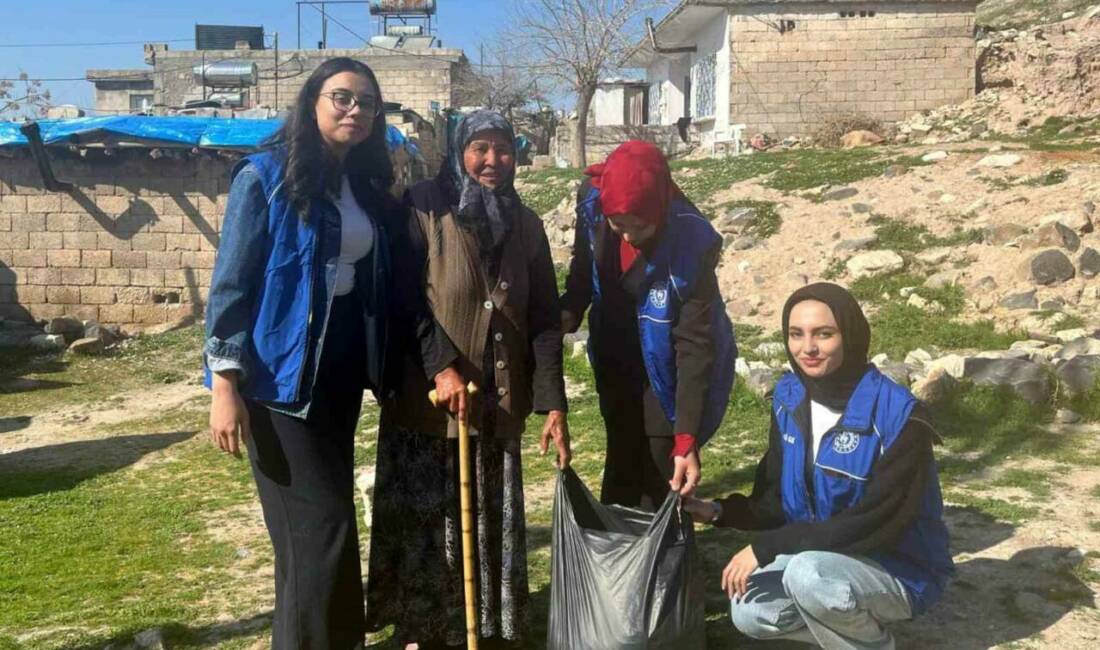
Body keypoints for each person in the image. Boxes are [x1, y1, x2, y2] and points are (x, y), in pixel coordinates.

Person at [203, 57, 404, 649]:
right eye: (342, 97)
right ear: (312, 101)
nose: (355, 111)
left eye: (367, 102)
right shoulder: (264, 177)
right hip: (277, 382)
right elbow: (232, 286)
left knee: (320, 539)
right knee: (321, 532)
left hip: (335, 375)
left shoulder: (360, 185)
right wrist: (224, 385)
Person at [365, 109, 570, 649]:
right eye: (479, 148)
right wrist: (441, 363)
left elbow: (545, 319)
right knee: (432, 526)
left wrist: (553, 402)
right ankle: (423, 632)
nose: (492, 161)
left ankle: (487, 629)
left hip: (496, 406)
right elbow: (402, 298)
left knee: (489, 521)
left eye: (502, 149)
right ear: (459, 151)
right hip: (428, 408)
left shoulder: (525, 224)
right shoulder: (424, 207)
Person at [684, 283, 954, 650]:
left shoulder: (900, 417)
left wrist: (768, 548)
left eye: (823, 334)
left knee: (808, 576)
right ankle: (850, 626)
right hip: (826, 557)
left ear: (850, 335)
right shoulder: (789, 397)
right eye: (796, 334)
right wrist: (717, 511)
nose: (807, 348)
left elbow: (877, 521)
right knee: (750, 611)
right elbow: (776, 499)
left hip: (899, 567)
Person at [560, 140, 736, 510]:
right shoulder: (593, 200)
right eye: (617, 223)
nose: (626, 236)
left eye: (638, 225)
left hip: (666, 361)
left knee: (660, 462)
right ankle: (620, 555)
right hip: (614, 353)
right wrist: (563, 317)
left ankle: (664, 559)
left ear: (659, 209)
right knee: (621, 451)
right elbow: (583, 269)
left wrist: (686, 435)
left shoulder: (691, 243)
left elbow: (694, 343)